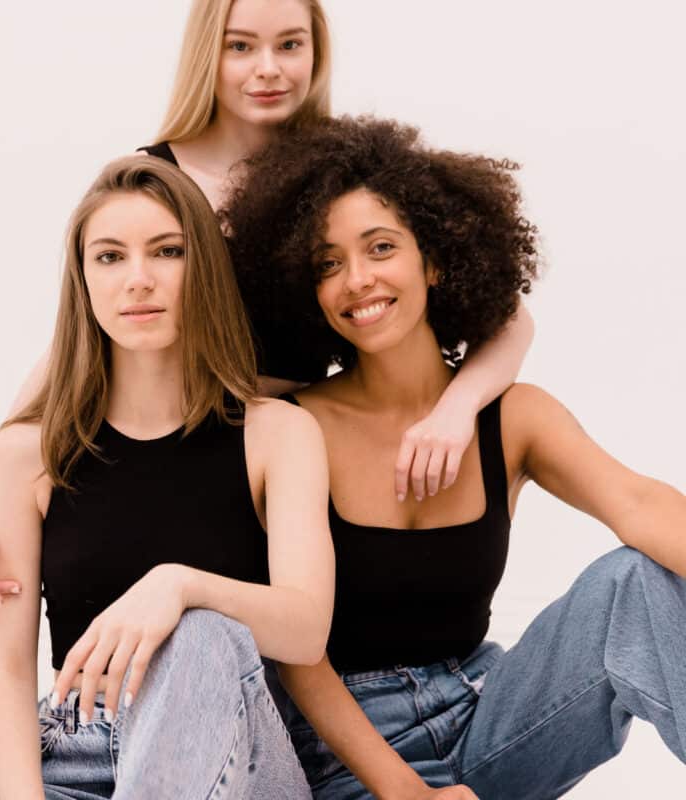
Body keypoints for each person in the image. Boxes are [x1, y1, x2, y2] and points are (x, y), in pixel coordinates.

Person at [0, 0, 535, 626]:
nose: (268, 70)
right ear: (208, 54)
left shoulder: (334, 175)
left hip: (291, 450)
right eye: (240, 47)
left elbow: (508, 317)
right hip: (193, 451)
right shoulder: (157, 179)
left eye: (290, 45)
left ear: (317, 53)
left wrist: (454, 412)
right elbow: (78, 344)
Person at [221, 115, 686, 800]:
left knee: (634, 583)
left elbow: (640, 504)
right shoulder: (290, 429)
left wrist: (457, 411)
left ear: (434, 259)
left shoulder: (513, 416)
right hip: (347, 756)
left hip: (491, 717)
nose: (357, 280)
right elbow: (298, 658)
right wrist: (405, 791)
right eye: (328, 263)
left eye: (381, 248)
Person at [0, 155, 334, 799]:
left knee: (202, 632)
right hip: (79, 751)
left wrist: (179, 587)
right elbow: (8, 669)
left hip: (237, 755)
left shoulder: (278, 435)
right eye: (109, 257)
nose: (139, 279)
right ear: (84, 281)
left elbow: (306, 628)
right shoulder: (25, 455)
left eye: (167, 251)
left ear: (202, 267)